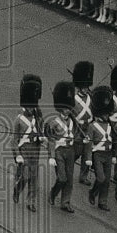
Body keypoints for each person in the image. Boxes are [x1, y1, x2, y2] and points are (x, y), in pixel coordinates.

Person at [12, 74, 45, 212]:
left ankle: (31, 201)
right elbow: (14, 140)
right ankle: (17, 189)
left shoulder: (38, 116)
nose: (32, 108)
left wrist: (42, 136)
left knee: (34, 177)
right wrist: (17, 154)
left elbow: (42, 129)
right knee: (25, 176)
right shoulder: (19, 119)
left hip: (35, 149)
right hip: (24, 149)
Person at [45, 81, 77, 213]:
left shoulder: (73, 121)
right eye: (65, 108)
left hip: (70, 151)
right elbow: (50, 140)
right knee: (62, 178)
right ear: (60, 108)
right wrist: (51, 156)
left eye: (69, 108)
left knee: (69, 179)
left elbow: (77, 134)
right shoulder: (53, 122)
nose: (68, 110)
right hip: (59, 151)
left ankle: (65, 202)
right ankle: (53, 193)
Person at [86, 85, 115, 211]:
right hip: (97, 154)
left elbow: (114, 141)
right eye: (105, 113)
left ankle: (102, 201)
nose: (107, 116)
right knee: (101, 178)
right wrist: (88, 158)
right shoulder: (93, 126)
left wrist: (114, 155)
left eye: (107, 113)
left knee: (107, 180)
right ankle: (93, 192)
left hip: (108, 154)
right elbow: (88, 143)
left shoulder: (110, 125)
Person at [70, 61, 95, 186]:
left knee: (87, 153)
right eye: (84, 87)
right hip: (78, 128)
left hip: (88, 127)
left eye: (87, 87)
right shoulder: (74, 99)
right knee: (77, 151)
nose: (86, 89)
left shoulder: (91, 97)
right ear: (79, 87)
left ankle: (83, 176)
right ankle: (68, 164)